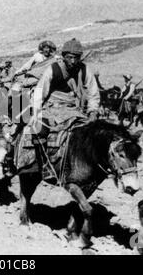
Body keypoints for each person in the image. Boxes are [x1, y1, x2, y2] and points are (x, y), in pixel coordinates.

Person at [28, 38, 100, 180]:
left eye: (76, 58)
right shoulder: (54, 69)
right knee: (39, 129)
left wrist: (93, 111)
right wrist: (36, 112)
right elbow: (40, 91)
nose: (73, 61)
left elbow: (93, 92)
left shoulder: (84, 70)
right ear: (64, 56)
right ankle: (45, 166)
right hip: (52, 106)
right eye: (70, 57)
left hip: (73, 108)